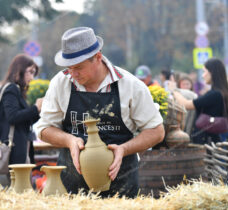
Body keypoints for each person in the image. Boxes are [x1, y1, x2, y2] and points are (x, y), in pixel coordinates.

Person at [36, 27, 164, 198]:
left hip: (121, 185)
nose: (72, 74)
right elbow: (44, 129)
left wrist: (124, 149)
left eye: (79, 67)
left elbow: (157, 131)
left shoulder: (131, 86)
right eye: (69, 67)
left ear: (97, 57)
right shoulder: (60, 83)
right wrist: (69, 140)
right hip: (72, 187)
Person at [0, 54, 42, 165]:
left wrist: (38, 111)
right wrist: (35, 108)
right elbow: (12, 117)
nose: (32, 78)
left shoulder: (16, 90)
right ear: (20, 70)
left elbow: (23, 121)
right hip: (11, 148)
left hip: (16, 146)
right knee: (15, 181)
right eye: (30, 72)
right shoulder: (11, 88)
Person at [169, 58, 228, 144]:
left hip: (209, 142)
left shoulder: (214, 94)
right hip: (217, 140)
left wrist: (174, 90)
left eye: (204, 72)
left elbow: (186, 104)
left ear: (212, 72)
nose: (202, 75)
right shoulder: (222, 92)